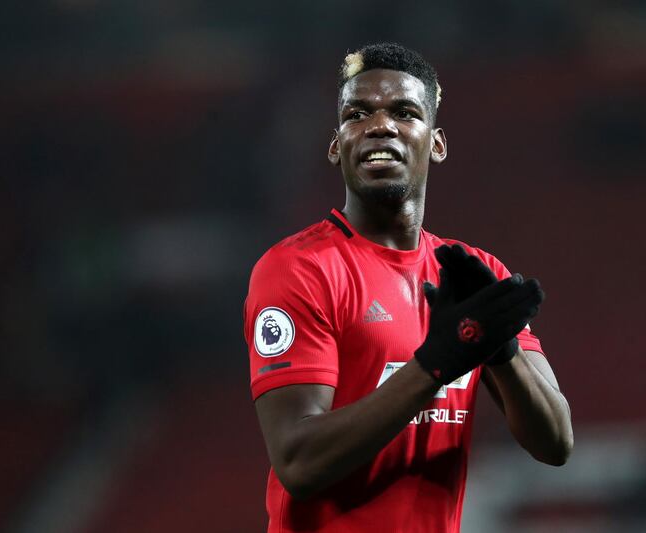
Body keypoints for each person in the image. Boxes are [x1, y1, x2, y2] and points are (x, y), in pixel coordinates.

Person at [244, 42, 573, 533]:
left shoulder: (475, 274)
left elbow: (556, 443)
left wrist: (502, 350)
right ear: (336, 145)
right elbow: (299, 464)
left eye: (404, 111)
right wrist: (435, 364)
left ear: (436, 144)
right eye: (358, 114)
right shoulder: (298, 269)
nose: (380, 125)